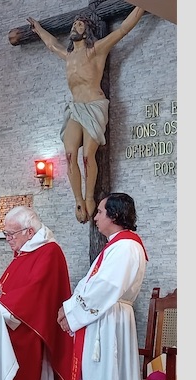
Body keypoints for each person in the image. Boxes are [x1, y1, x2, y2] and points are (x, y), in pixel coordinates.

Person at [28, 5, 145, 223]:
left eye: (80, 24)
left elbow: (123, 30)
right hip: (75, 107)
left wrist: (141, 7)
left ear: (87, 31)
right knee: (69, 155)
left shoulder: (96, 50)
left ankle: (89, 197)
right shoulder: (69, 55)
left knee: (86, 156)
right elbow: (52, 44)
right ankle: (78, 200)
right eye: (74, 24)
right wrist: (38, 28)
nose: (75, 27)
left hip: (93, 105)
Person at [57, 193, 148, 380]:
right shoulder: (117, 246)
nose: (95, 217)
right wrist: (69, 309)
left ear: (114, 215)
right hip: (103, 319)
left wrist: (70, 312)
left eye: (99, 212)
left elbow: (104, 287)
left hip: (108, 322)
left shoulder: (125, 247)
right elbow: (89, 284)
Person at [0, 206, 73, 380]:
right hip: (11, 330)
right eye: (6, 233)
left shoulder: (50, 251)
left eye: (11, 234)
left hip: (33, 333)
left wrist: (2, 307)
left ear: (29, 232)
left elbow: (38, 291)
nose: (8, 239)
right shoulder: (24, 253)